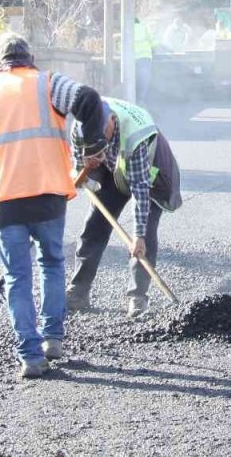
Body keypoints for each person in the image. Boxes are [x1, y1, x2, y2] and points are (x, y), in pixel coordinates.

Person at [0, 32, 102, 379]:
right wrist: (91, 149)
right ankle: (53, 338)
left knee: (17, 277)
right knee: (52, 264)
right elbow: (89, 100)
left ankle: (30, 356)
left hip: (5, 198)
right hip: (48, 194)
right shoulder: (48, 84)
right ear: (29, 56)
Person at [67, 96, 182, 319]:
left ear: (111, 121)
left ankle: (137, 296)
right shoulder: (79, 127)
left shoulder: (136, 136)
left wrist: (137, 236)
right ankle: (78, 292)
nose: (97, 141)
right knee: (94, 225)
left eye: (101, 137)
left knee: (145, 233)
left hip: (150, 172)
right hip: (112, 169)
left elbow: (141, 191)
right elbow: (78, 169)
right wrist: (85, 172)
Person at [134, 18, 155, 105]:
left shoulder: (125, 28)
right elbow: (153, 41)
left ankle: (133, 98)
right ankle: (141, 100)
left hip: (132, 59)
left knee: (134, 79)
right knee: (144, 79)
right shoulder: (144, 27)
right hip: (145, 57)